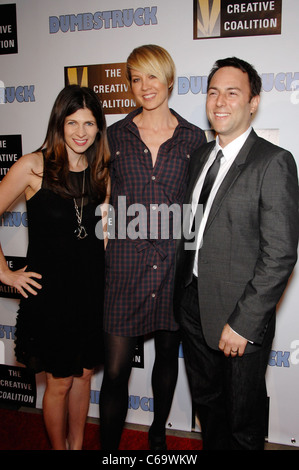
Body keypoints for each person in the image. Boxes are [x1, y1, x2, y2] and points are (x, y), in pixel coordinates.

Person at [174, 57, 299, 450]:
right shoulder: (200, 157)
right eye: (213, 92)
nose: (220, 101)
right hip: (193, 305)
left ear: (253, 102)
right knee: (209, 410)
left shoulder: (273, 161)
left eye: (233, 92)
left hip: (239, 315)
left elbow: (280, 254)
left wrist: (244, 323)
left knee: (242, 424)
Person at [100, 44, 206, 450]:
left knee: (166, 358)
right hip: (125, 267)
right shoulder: (114, 135)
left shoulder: (194, 138)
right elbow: (102, 193)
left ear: (170, 79)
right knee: (114, 372)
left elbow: (200, 202)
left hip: (173, 266)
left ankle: (158, 433)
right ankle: (108, 451)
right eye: (135, 78)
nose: (144, 86)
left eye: (152, 76)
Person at [0, 85, 110, 450]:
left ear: (99, 128)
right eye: (73, 122)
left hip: (91, 293)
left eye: (89, 123)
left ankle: (77, 448)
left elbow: (102, 234)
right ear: (59, 123)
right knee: (60, 382)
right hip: (51, 298)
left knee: (83, 376)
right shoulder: (33, 165)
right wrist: (5, 272)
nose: (81, 132)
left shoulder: (100, 171)